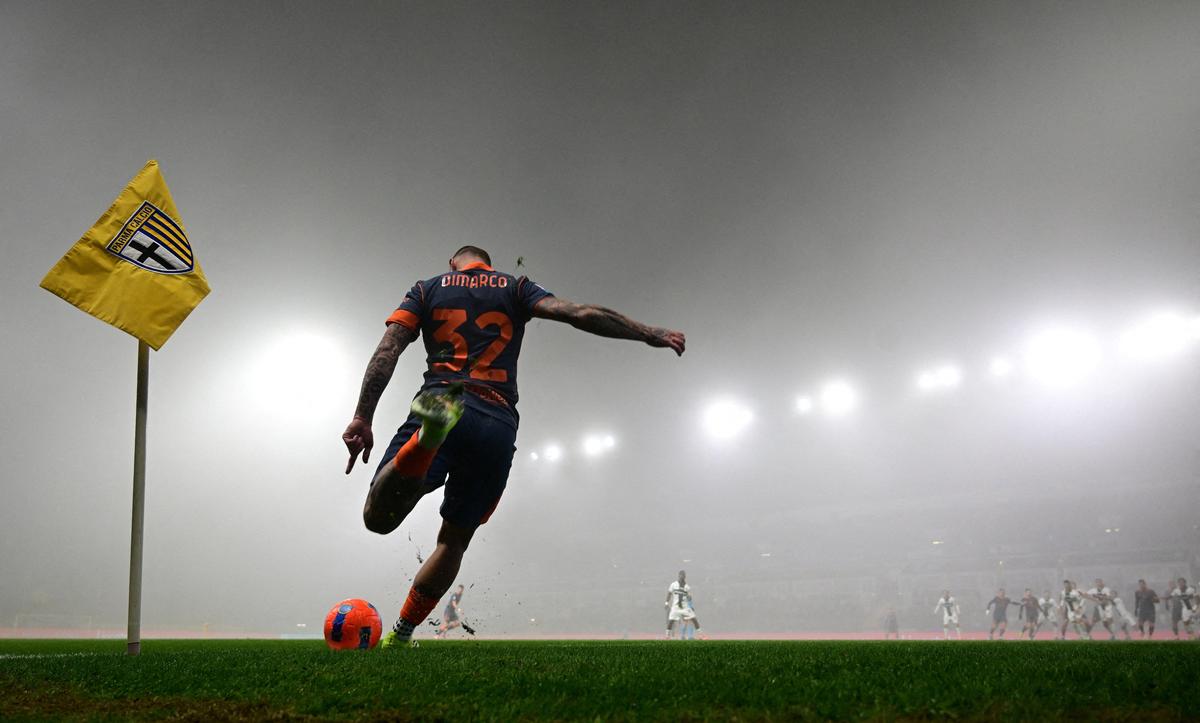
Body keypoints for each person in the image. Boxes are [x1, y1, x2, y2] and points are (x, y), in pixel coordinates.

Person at [342, 246, 686, 648]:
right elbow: (577, 313)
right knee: (452, 542)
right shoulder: (515, 287)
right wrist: (648, 333)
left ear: (453, 263)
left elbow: (389, 349)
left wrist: (363, 416)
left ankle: (428, 437)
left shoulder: (427, 289)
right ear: (487, 263)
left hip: (445, 396)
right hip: (497, 421)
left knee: (378, 518)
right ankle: (401, 635)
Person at [666, 570, 702, 639]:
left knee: (694, 619)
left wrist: (689, 598)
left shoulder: (687, 587)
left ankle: (700, 635)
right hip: (675, 607)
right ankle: (667, 636)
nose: (682, 576)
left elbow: (689, 598)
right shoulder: (673, 584)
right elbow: (669, 593)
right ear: (678, 575)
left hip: (685, 607)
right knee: (671, 620)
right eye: (681, 575)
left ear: (685, 577)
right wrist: (666, 603)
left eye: (684, 575)